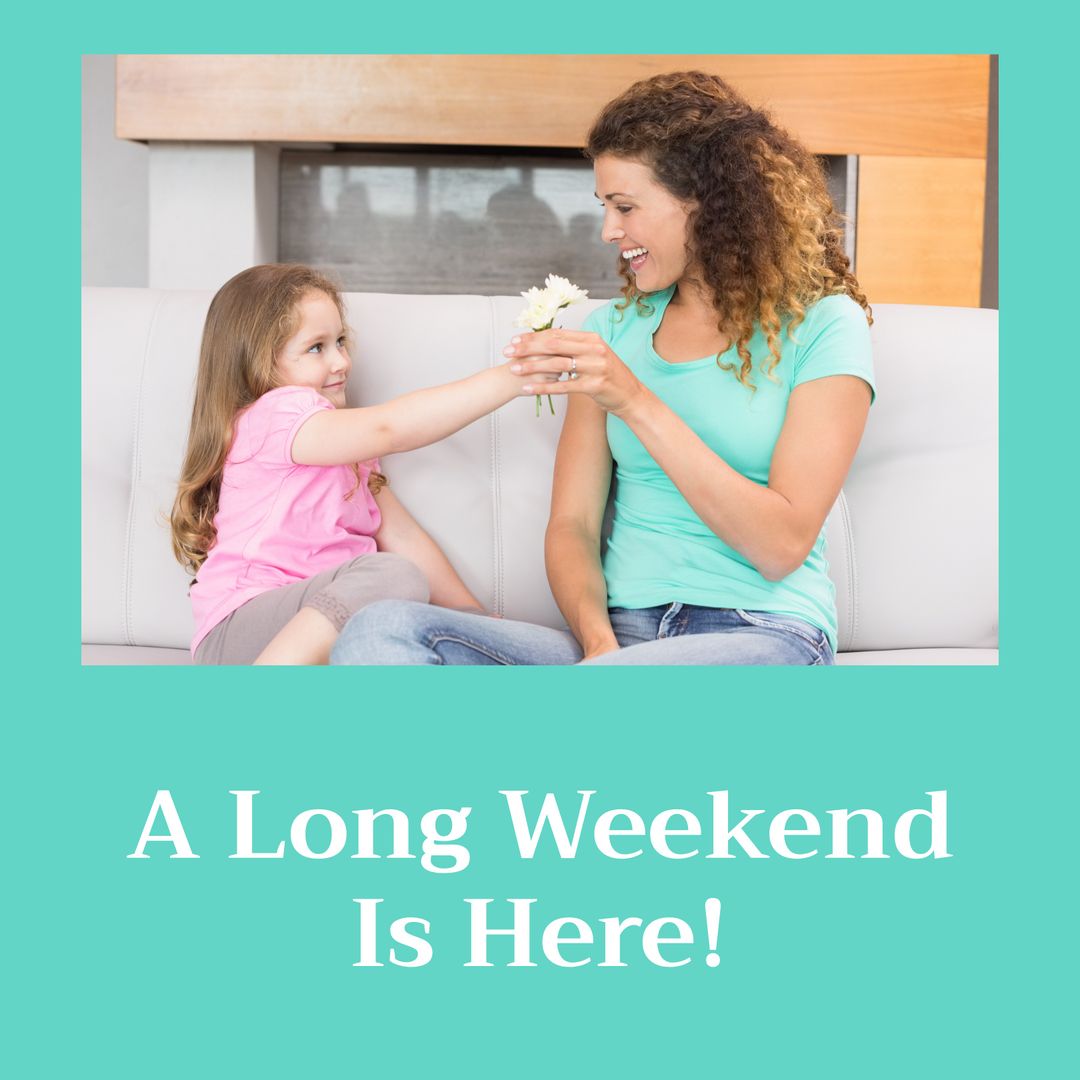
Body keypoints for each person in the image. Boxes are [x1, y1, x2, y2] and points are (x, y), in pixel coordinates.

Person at [331, 71, 874, 666]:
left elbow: (781, 544)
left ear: (708, 204)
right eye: (605, 207)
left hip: (763, 634)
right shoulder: (611, 333)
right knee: (384, 630)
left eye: (625, 207)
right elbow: (572, 526)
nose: (609, 230)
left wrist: (634, 399)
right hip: (619, 641)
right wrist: (598, 646)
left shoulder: (824, 324)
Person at [170, 263, 557, 664]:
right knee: (393, 576)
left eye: (340, 341)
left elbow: (402, 535)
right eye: (316, 348)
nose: (341, 361)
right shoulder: (275, 415)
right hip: (244, 627)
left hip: (314, 628)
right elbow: (389, 428)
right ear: (258, 363)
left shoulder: (349, 453)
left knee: (408, 609)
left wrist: (471, 616)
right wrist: (513, 378)